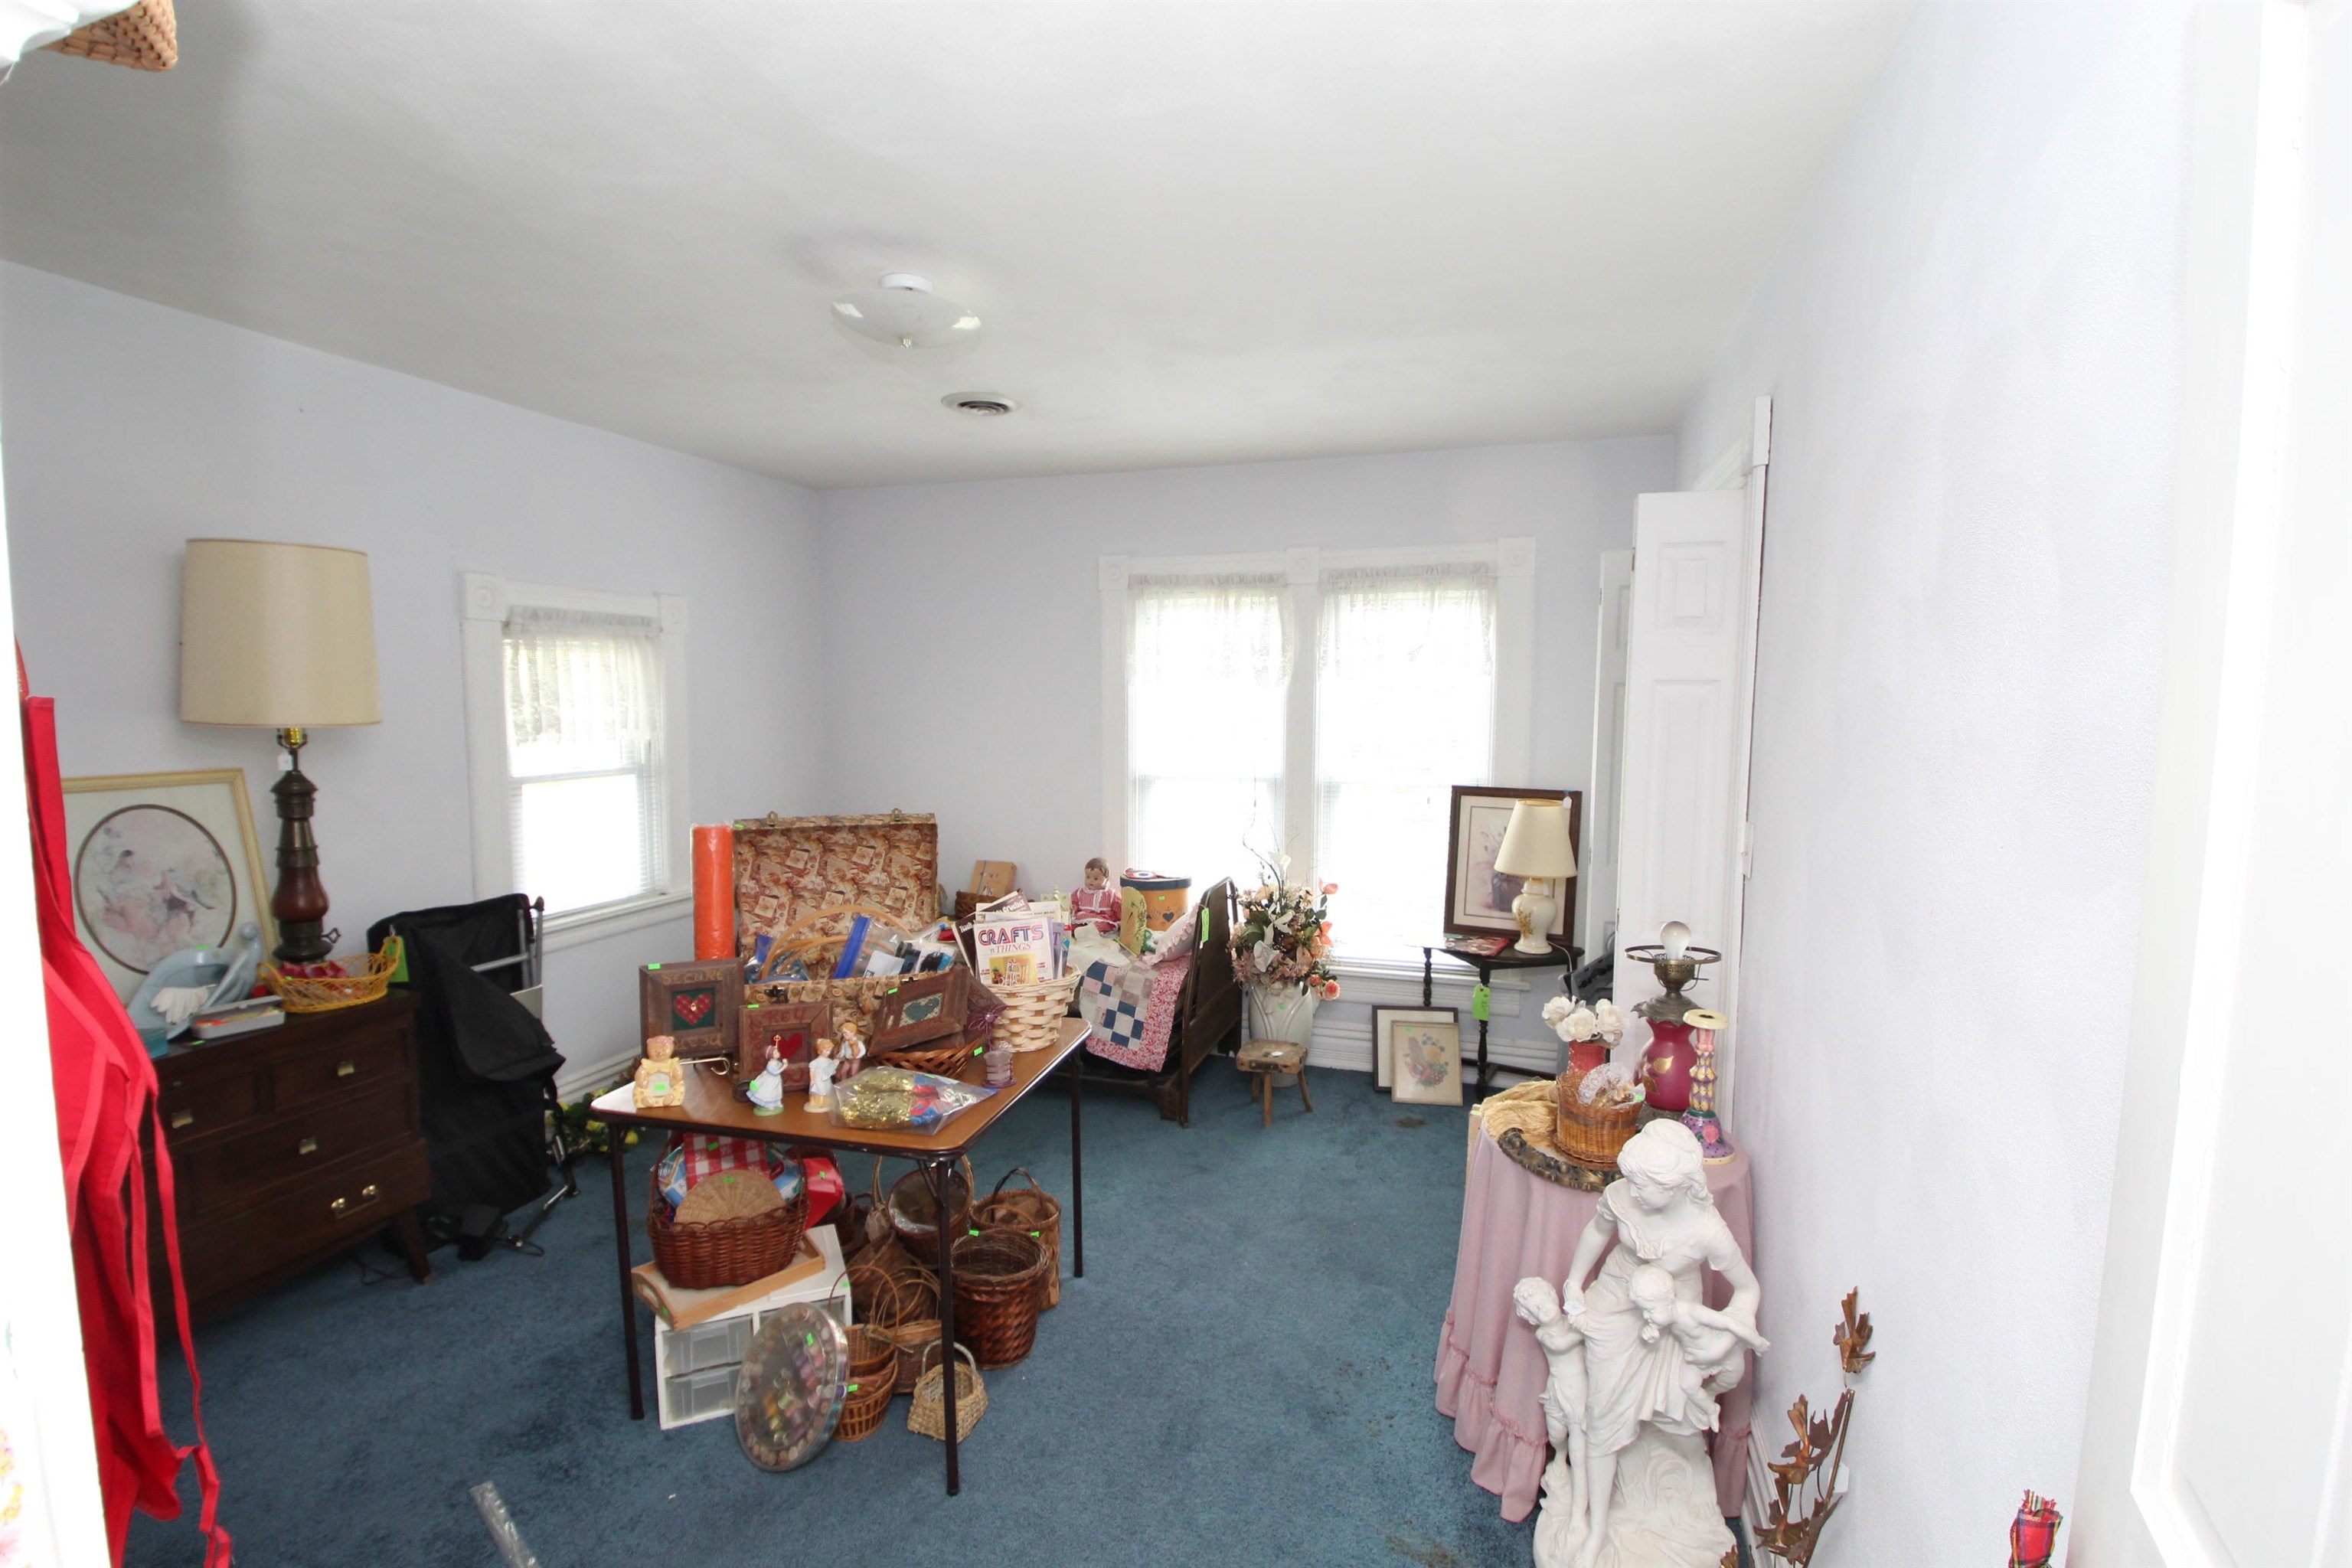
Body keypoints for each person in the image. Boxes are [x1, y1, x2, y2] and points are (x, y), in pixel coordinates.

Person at [1557, 1121, 1760, 1568]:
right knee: (1604, 1412)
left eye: (1645, 1184)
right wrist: (1574, 1282)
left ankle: (1675, 1500)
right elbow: (1596, 1232)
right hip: (1615, 1299)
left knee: (1681, 1418)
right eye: (1632, 1179)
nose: (1634, 1190)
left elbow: (1746, 1289)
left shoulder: (1707, 1230)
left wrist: (1730, 1332)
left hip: (1672, 1315)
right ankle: (1596, 1530)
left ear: (1676, 1186)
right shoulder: (1624, 1195)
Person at [1072, 857, 1120, 936]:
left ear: (1106, 878)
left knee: (1102, 926)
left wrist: (1121, 921)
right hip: (1084, 918)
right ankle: (1081, 932)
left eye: (1096, 878)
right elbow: (1073, 905)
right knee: (1074, 925)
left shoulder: (1112, 895)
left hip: (1102, 919)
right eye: (1088, 877)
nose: (1091, 881)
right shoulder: (1080, 893)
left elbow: (1119, 910)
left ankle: (1087, 932)